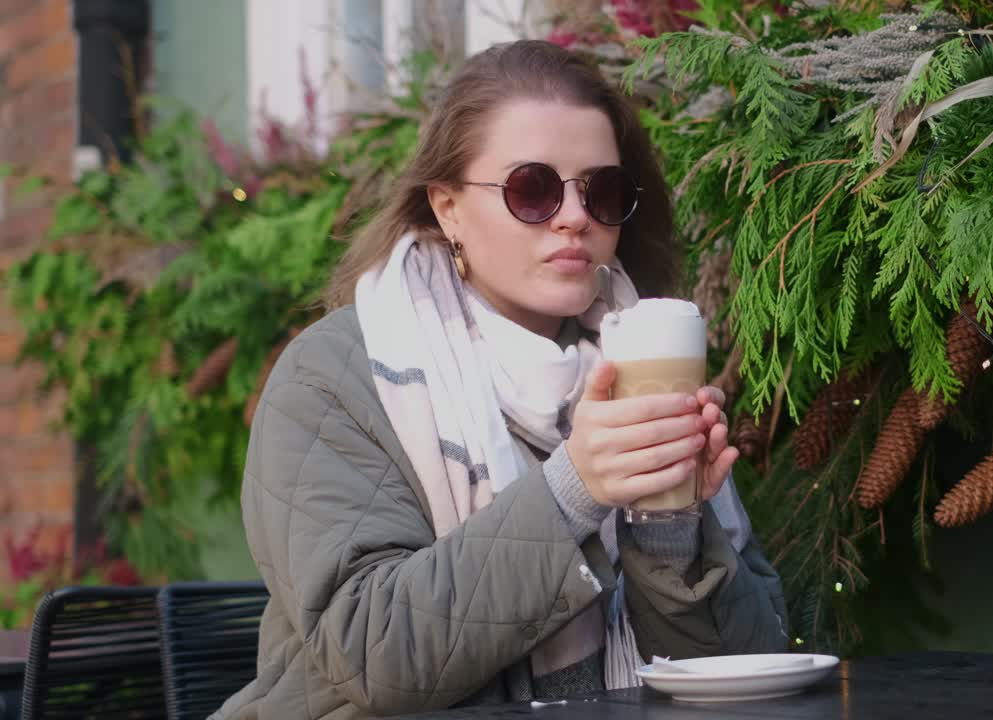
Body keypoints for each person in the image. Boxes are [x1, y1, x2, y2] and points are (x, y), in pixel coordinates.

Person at [214, 39, 788, 719]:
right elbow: (377, 654)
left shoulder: (646, 363)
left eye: (602, 191)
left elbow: (753, 662)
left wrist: (665, 520)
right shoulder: (332, 378)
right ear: (447, 207)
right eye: (532, 189)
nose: (574, 217)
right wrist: (575, 489)